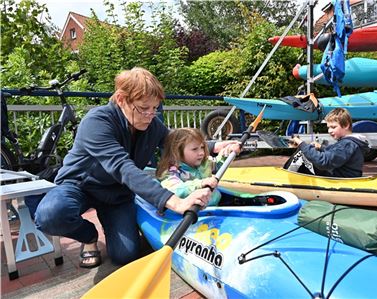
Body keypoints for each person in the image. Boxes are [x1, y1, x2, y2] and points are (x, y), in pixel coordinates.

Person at [34, 67, 238, 268]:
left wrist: (215, 146)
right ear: (122, 99)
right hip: (79, 185)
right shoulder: (97, 121)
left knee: (125, 255)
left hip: (116, 193)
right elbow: (123, 167)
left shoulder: (151, 124)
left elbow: (175, 142)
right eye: (143, 108)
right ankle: (89, 236)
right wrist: (175, 202)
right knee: (51, 215)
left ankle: (113, 224)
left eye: (155, 108)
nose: (151, 115)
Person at [156, 128, 238, 206]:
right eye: (195, 149)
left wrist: (227, 153)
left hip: (214, 207)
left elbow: (217, 165)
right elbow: (174, 190)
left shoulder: (204, 162)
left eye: (202, 147)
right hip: (193, 212)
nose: (201, 152)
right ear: (177, 151)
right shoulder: (171, 171)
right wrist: (200, 184)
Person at [285, 108, 369, 177]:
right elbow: (335, 154)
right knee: (309, 152)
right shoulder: (349, 142)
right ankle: (296, 177)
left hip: (340, 178)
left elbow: (324, 162)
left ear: (346, 125)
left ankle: (285, 176)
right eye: (328, 127)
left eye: (333, 127)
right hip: (341, 174)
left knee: (302, 153)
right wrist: (321, 148)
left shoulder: (347, 144)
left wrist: (301, 144)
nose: (329, 131)